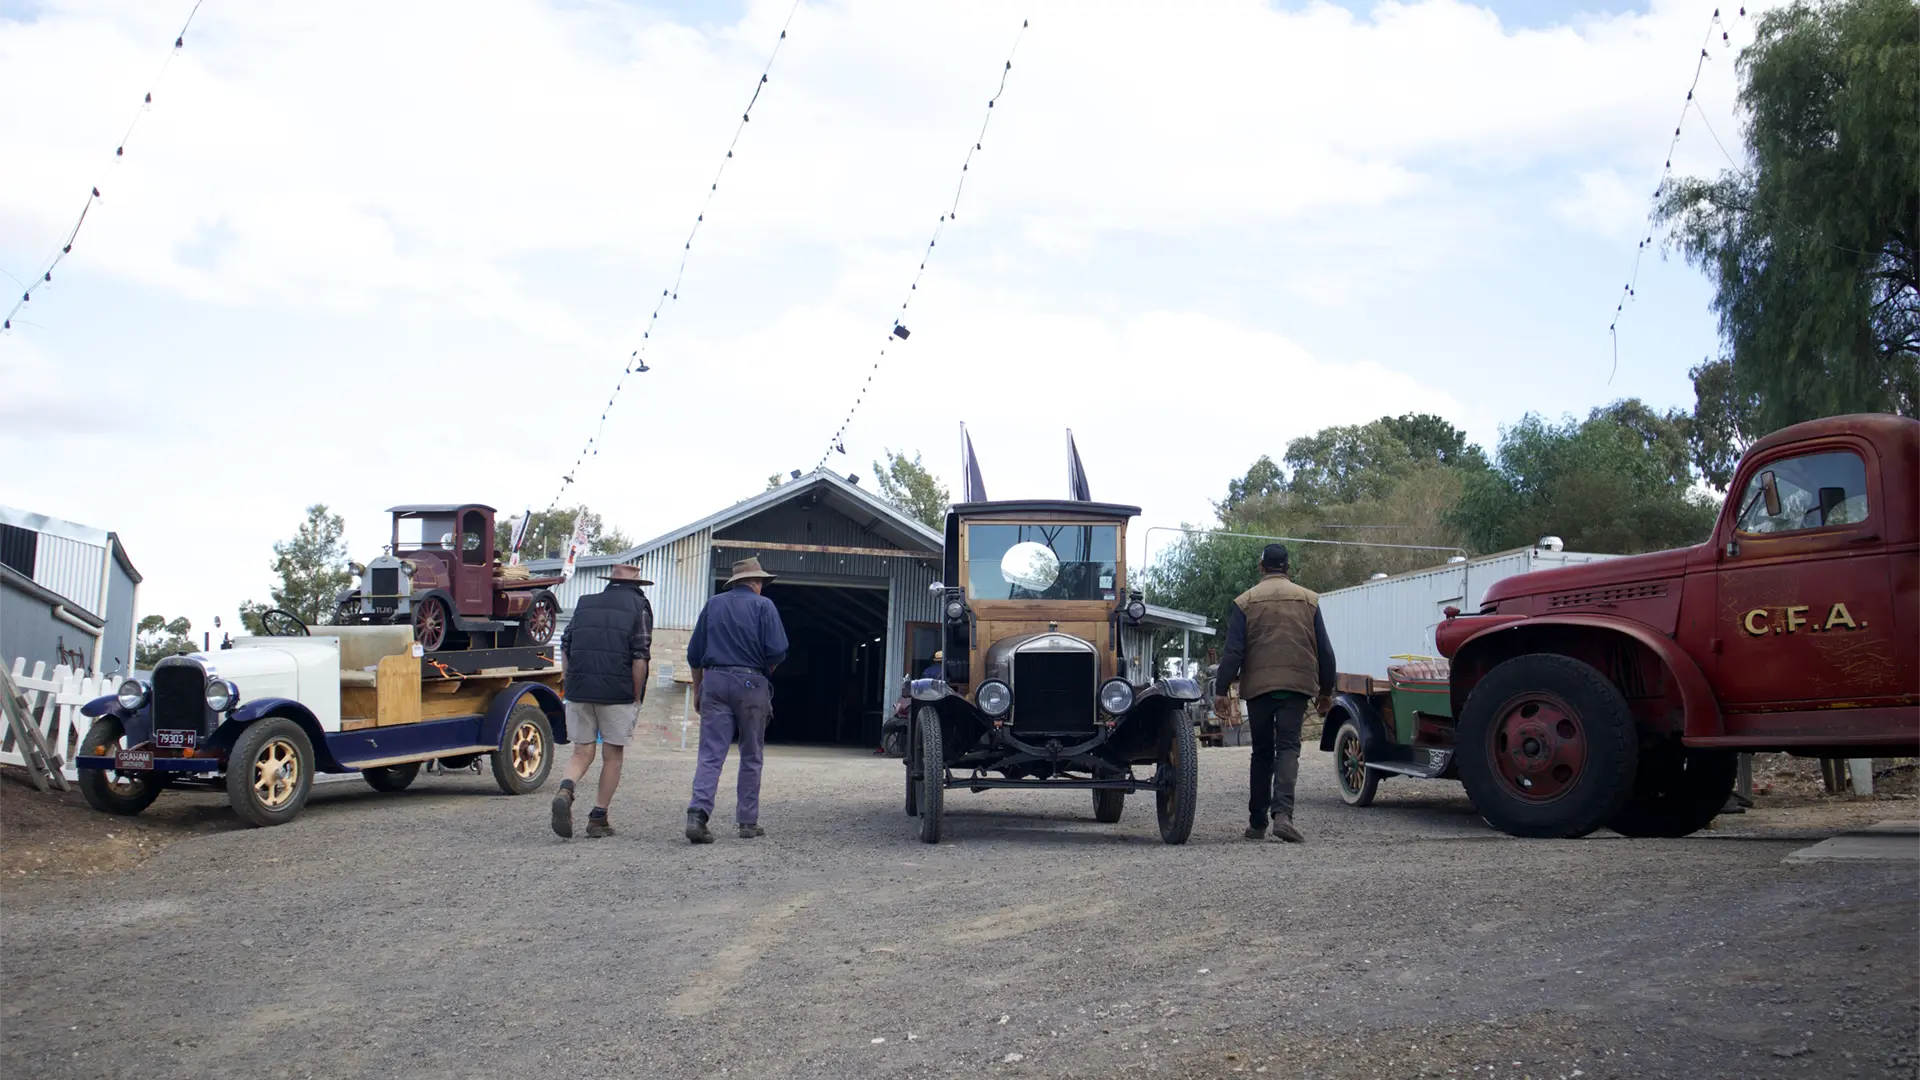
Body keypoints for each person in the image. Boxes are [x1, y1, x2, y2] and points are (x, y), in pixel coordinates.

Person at [1212, 543, 1336, 843]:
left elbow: (1233, 652)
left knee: (1262, 752)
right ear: (1288, 567)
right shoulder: (1309, 600)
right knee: (1289, 748)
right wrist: (1326, 690)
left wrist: (1220, 690)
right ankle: (1283, 816)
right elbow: (1325, 650)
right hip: (1296, 687)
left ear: (1261, 566)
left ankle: (1257, 823)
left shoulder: (1245, 602)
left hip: (1259, 689)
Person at [685, 557, 790, 843]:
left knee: (711, 753)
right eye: (762, 584)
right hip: (750, 682)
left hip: (715, 681)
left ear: (735, 582)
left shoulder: (712, 604)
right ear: (756, 583)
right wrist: (766, 670)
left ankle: (698, 814)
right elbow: (778, 649)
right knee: (751, 753)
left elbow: (694, 654)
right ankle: (747, 821)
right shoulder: (764, 606)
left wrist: (698, 689)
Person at [551, 563, 653, 839]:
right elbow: (639, 656)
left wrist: (568, 680)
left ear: (609, 582)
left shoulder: (585, 603)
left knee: (581, 752)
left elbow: (565, 645)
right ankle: (598, 818)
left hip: (579, 690)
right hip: (617, 692)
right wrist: (635, 694)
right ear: (637, 584)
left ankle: (566, 789)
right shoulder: (639, 607)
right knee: (612, 755)